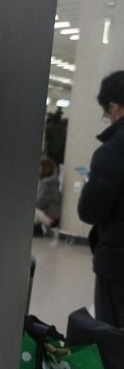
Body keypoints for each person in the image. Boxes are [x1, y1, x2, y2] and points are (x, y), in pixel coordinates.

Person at [78, 70, 124, 328]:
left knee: (113, 342)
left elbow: (90, 211)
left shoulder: (112, 152)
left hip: (117, 265)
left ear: (115, 107)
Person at [34, 156, 61, 235]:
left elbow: (39, 202)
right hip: (52, 216)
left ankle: (37, 231)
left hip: (52, 218)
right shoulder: (51, 183)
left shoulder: (48, 185)